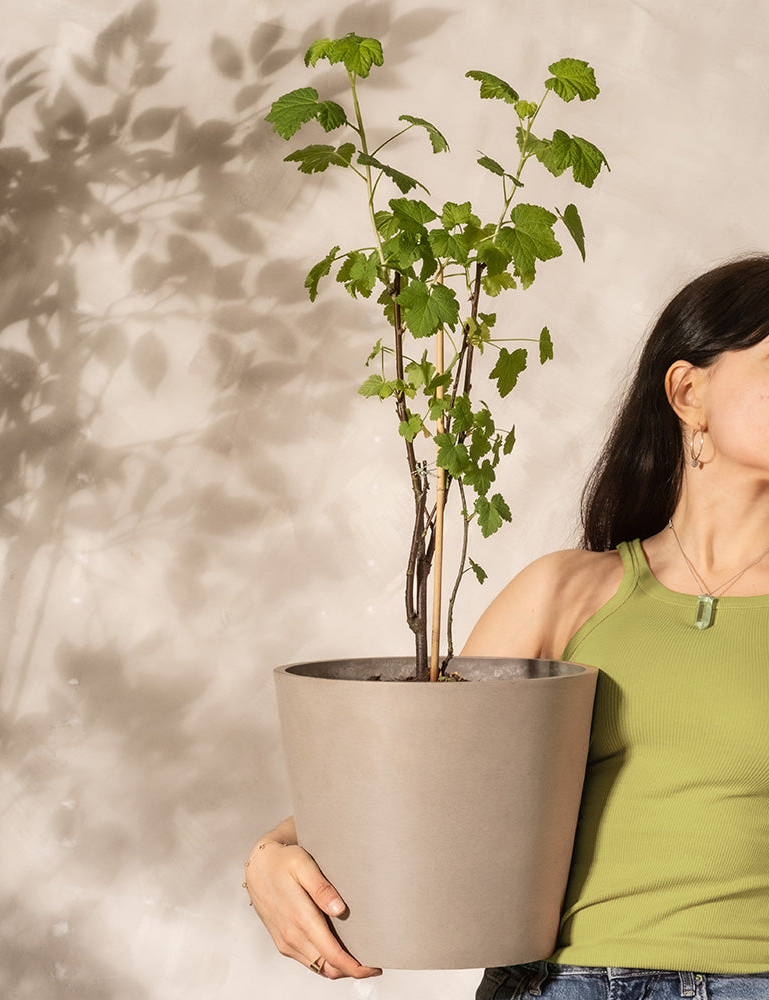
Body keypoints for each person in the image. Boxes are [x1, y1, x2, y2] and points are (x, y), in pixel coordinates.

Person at [244, 255, 769, 997]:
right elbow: (415, 783)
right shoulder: (567, 594)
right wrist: (269, 858)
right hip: (562, 983)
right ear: (689, 392)